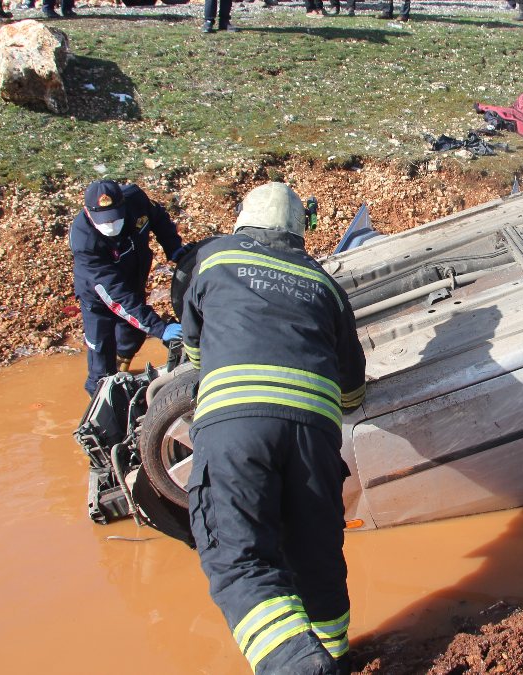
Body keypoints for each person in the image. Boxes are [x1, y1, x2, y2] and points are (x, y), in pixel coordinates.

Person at [181, 182, 366, 675]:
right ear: (299, 232)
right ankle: (335, 659)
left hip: (236, 427)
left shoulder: (213, 260)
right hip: (315, 436)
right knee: (317, 557)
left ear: (243, 222)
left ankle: (295, 666)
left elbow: (194, 353)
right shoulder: (325, 283)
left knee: (238, 559)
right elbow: (352, 388)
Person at [69, 180, 186, 396]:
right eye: (105, 220)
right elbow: (115, 296)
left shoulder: (136, 200)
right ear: (88, 212)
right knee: (101, 358)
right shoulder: (84, 241)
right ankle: (102, 406)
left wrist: (174, 249)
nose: (111, 224)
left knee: (132, 336)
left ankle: (122, 367)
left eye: (115, 217)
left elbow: (159, 219)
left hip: (133, 279)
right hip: (98, 296)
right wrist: (159, 328)